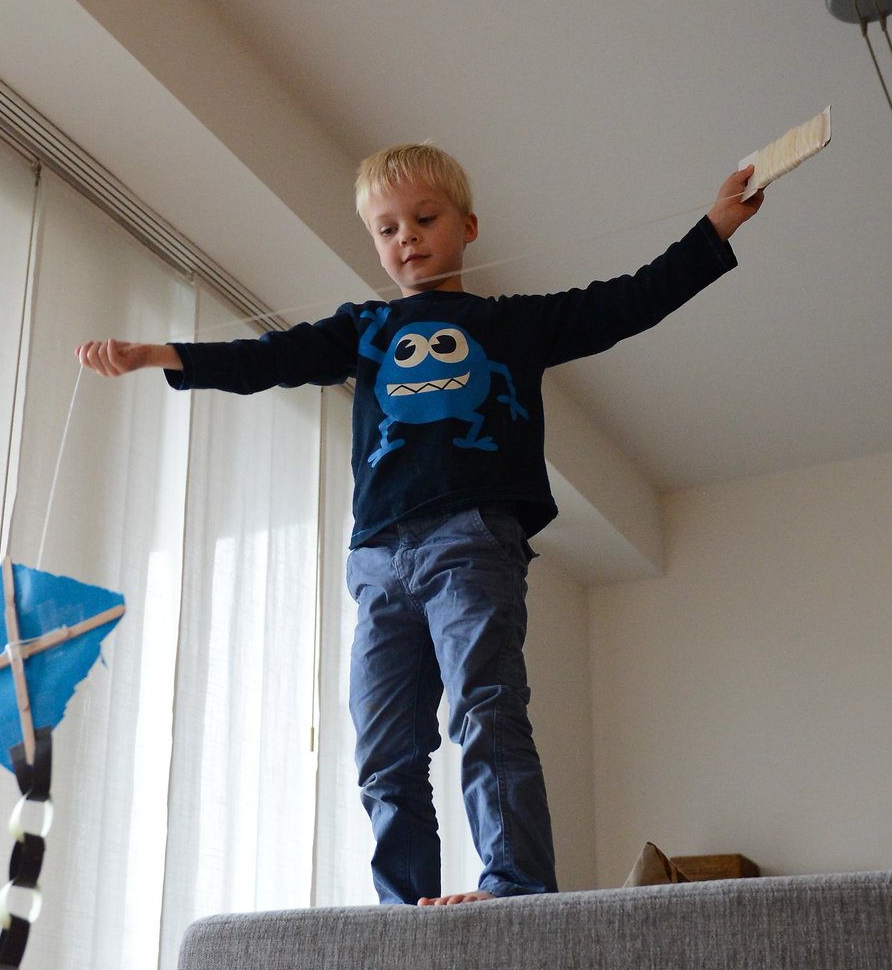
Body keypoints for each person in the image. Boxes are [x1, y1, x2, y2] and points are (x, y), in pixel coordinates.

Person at [78, 144, 762, 907]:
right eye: (386, 228)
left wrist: (715, 227)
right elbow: (271, 356)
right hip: (376, 560)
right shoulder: (364, 330)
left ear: (467, 225)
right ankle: (404, 908)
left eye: (424, 218)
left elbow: (625, 301)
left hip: (469, 538)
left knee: (485, 706)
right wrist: (158, 354)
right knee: (383, 749)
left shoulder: (510, 324)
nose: (405, 237)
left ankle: (513, 886)